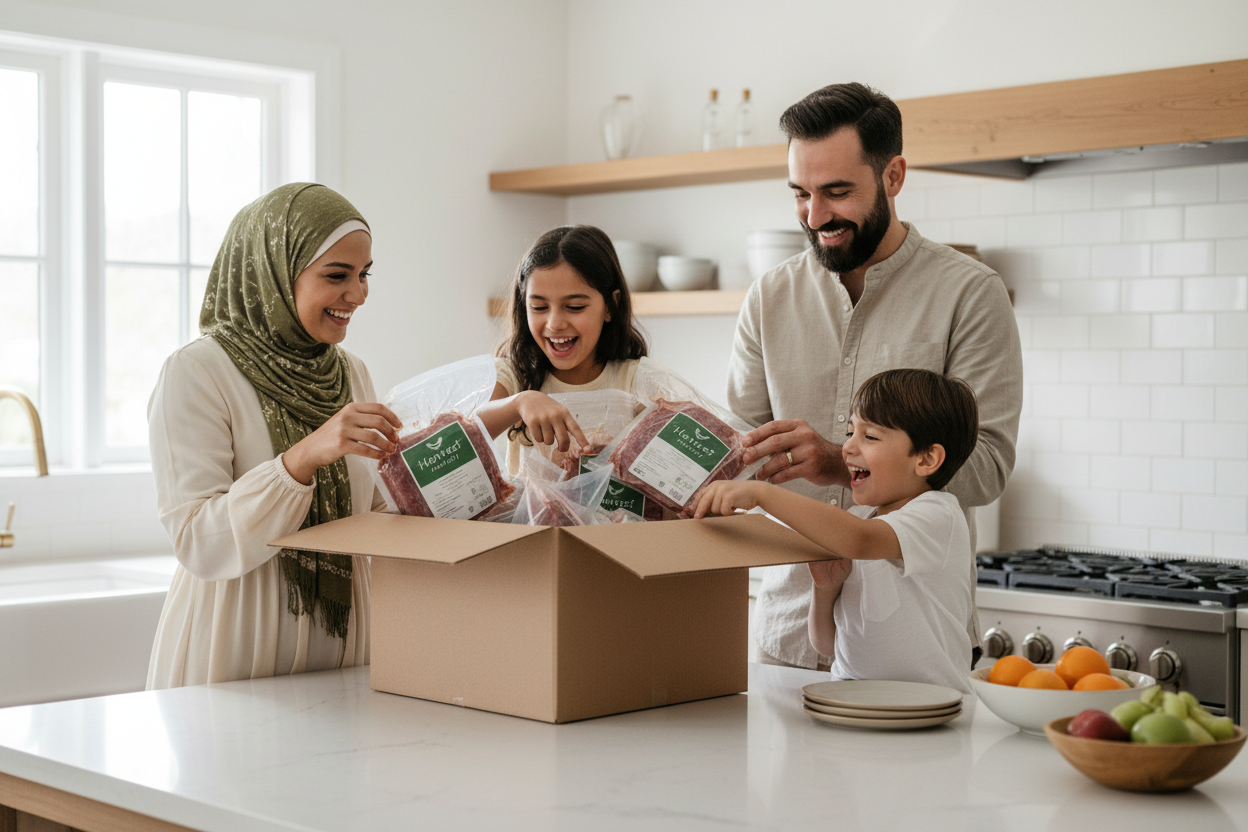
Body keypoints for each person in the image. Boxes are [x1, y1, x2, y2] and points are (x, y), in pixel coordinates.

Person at [729, 82, 1023, 671]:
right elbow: (736, 446)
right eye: (800, 194)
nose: (815, 217)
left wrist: (843, 462)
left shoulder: (970, 293)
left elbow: (987, 467)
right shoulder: (769, 296)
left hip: (915, 652)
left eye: (837, 193)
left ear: (893, 177)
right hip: (790, 632)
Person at [146, 183, 402, 689]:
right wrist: (303, 458)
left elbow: (374, 516)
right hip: (232, 655)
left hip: (346, 660)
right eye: (337, 275)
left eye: (364, 274)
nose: (358, 294)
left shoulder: (352, 374)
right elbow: (199, 540)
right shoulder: (197, 373)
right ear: (274, 273)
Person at [695, 369, 980, 693]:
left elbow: (860, 539)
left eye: (869, 437)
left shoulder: (937, 516)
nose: (847, 448)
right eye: (850, 433)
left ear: (927, 459)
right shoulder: (858, 518)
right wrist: (825, 589)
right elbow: (825, 644)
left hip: (933, 709)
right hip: (851, 702)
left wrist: (764, 494)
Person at [477, 225, 651, 470]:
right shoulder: (513, 376)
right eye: (539, 307)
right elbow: (463, 436)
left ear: (611, 306)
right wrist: (519, 403)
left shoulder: (636, 380)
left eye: (575, 307)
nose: (555, 324)